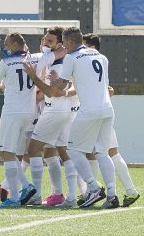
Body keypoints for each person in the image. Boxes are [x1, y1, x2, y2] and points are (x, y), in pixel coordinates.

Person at [25, 27, 118, 209]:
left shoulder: (71, 58)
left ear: (67, 42)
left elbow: (56, 89)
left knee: (73, 151)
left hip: (88, 110)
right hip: (107, 109)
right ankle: (112, 195)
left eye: (64, 44)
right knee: (101, 152)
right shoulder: (100, 56)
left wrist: (47, 79)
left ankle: (93, 188)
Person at [0, 32, 65, 208]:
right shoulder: (37, 59)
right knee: (20, 153)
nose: (6, 47)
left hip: (12, 111)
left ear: (16, 45)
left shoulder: (6, 62)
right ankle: (27, 189)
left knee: (6, 152)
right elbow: (60, 52)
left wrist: (4, 87)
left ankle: (18, 194)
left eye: (8, 44)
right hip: (30, 112)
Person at [81, 33, 140, 208]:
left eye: (83, 45)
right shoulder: (102, 60)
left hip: (93, 112)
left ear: (89, 46)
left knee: (96, 153)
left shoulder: (84, 61)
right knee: (108, 152)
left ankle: (93, 192)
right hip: (105, 110)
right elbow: (105, 87)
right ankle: (130, 191)